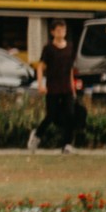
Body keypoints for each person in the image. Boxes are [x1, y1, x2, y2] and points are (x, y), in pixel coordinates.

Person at [28, 22, 80, 154]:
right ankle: (37, 135)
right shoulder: (49, 48)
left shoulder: (69, 47)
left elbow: (70, 70)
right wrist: (40, 84)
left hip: (66, 88)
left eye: (63, 30)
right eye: (58, 30)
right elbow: (40, 67)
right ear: (52, 32)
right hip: (53, 87)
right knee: (51, 116)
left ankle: (67, 144)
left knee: (70, 115)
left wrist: (73, 89)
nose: (61, 32)